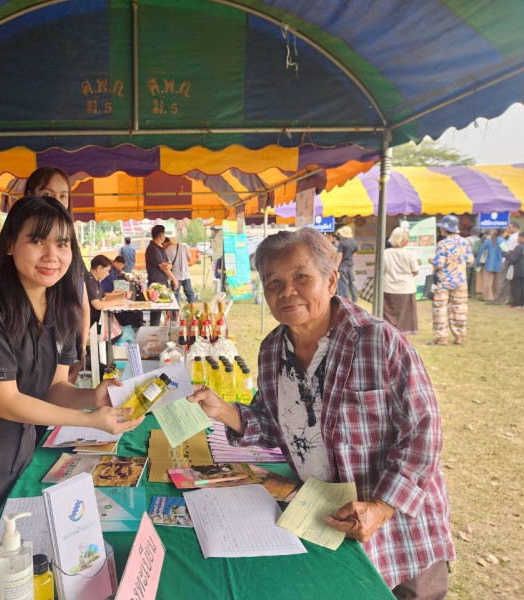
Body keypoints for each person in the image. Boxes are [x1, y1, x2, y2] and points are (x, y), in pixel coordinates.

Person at [188, 228, 455, 597]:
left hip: (396, 531)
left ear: (331, 280)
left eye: (301, 276)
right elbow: (273, 424)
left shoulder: (377, 341)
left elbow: (423, 435)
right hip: (323, 518)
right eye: (273, 282)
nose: (287, 291)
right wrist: (223, 411)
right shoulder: (272, 350)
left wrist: (380, 508)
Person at [0, 196, 142, 581]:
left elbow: (55, 387)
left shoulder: (61, 305)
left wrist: (93, 396)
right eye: (37, 241)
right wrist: (90, 419)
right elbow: (5, 402)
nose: (51, 255)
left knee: (19, 567)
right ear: (10, 244)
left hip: (21, 448)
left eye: (62, 244)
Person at [24, 167, 89, 384]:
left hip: (65, 337)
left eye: (63, 196)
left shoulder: (71, 249)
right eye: (47, 194)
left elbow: (81, 296)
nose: (57, 203)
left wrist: (82, 341)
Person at [429, 215, 473, 346]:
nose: (440, 229)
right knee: (459, 309)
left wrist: (431, 261)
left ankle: (441, 338)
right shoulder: (465, 242)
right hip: (460, 281)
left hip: (443, 282)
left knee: (440, 309)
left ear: (445, 228)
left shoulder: (442, 244)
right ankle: (459, 336)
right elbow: (470, 260)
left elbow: (439, 264)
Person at [382, 227, 419, 335]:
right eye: (406, 239)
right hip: (406, 288)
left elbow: (381, 270)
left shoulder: (385, 253)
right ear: (402, 240)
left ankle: (389, 332)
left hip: (388, 287)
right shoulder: (410, 254)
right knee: (405, 316)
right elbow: (416, 271)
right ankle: (403, 334)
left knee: (388, 314)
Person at [145, 224, 178, 326]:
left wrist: (168, 266)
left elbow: (169, 264)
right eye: (164, 234)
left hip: (163, 282)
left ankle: (170, 328)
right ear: (161, 235)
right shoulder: (152, 249)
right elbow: (164, 267)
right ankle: (153, 330)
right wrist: (174, 279)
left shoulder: (160, 247)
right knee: (156, 312)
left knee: (169, 309)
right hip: (156, 284)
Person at [86, 255, 131, 327]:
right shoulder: (88, 281)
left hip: (98, 318)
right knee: (128, 318)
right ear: (99, 268)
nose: (108, 274)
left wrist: (122, 295)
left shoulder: (96, 281)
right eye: (107, 270)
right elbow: (97, 305)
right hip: (91, 321)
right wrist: (118, 302)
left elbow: (104, 297)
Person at [492, 220, 520, 305]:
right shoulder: (520, 235)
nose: (508, 229)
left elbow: (507, 250)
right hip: (518, 262)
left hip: (507, 260)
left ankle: (499, 299)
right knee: (514, 281)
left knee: (504, 281)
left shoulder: (510, 237)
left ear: (514, 227)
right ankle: (512, 299)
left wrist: (507, 257)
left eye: (509, 227)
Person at [164, 236, 195, 303]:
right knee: (190, 293)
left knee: (176, 295)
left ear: (165, 243)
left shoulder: (167, 250)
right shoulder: (183, 247)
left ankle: (176, 309)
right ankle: (193, 307)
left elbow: (168, 265)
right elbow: (190, 259)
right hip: (186, 275)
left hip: (175, 276)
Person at [476, 228, 504, 302]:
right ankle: (496, 296)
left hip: (488, 264)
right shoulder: (503, 241)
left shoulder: (488, 241)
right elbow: (506, 252)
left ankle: (488, 297)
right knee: (497, 282)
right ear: (502, 233)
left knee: (487, 282)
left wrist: (477, 263)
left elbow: (481, 252)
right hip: (500, 264)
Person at [335, 225, 358, 302]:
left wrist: (336, 266)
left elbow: (340, 255)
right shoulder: (355, 242)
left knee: (344, 283)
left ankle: (346, 301)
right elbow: (355, 254)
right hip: (350, 265)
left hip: (343, 266)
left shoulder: (342, 243)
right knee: (352, 282)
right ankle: (355, 299)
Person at [506, 231, 524, 308]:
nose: (517, 238)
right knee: (523, 288)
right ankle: (522, 303)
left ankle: (516, 303)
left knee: (515, 287)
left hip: (517, 269)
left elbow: (513, 259)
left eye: (518, 237)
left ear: (522, 238)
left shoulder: (518, 247)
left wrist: (506, 254)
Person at [465, 227, 482, 298]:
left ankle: (465, 292)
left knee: (466, 278)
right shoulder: (480, 240)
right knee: (474, 279)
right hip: (476, 262)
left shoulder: (466, 239)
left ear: (471, 232)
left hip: (467, 262)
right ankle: (473, 293)